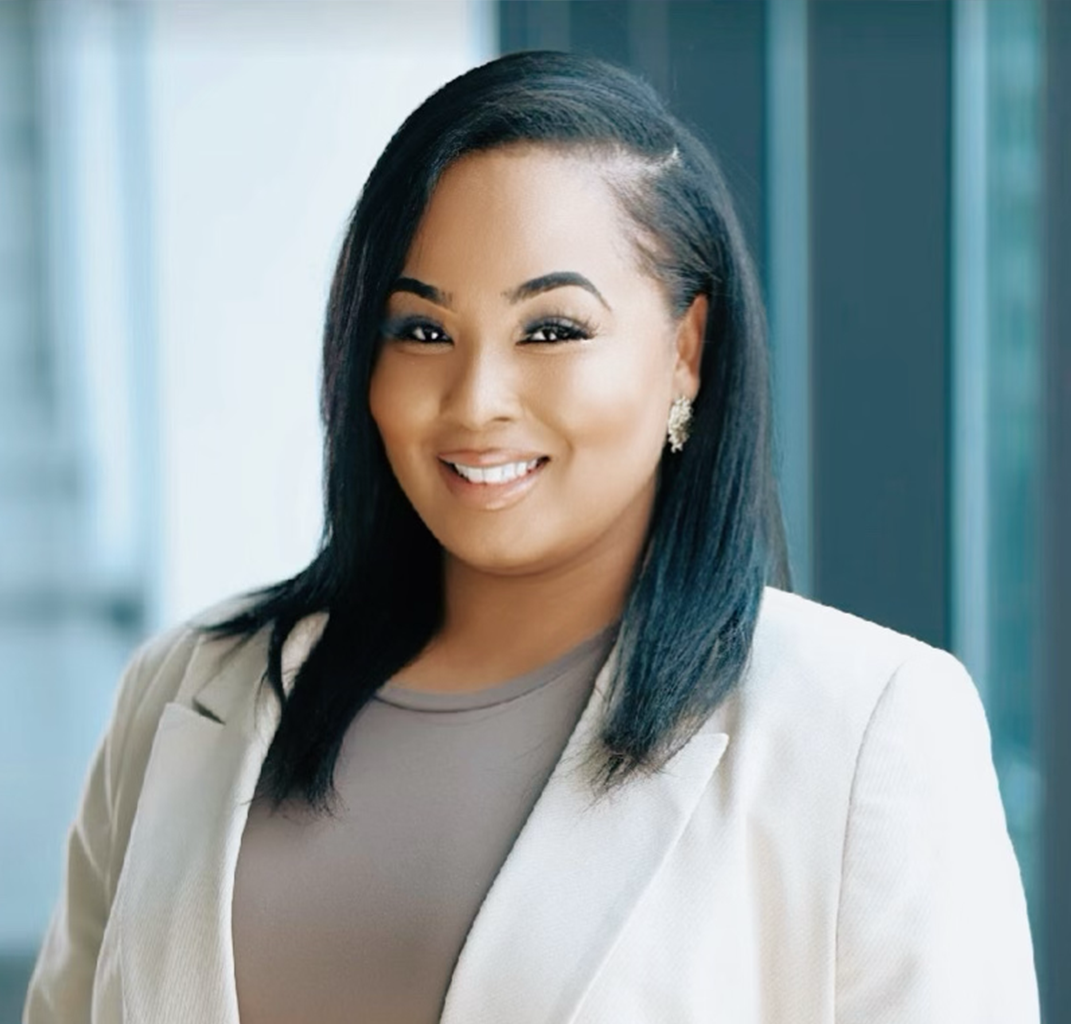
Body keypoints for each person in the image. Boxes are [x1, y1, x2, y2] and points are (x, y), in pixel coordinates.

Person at [24, 50, 1038, 1024]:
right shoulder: (185, 687)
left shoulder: (867, 728)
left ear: (687, 351)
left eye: (551, 330)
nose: (475, 401)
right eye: (421, 330)